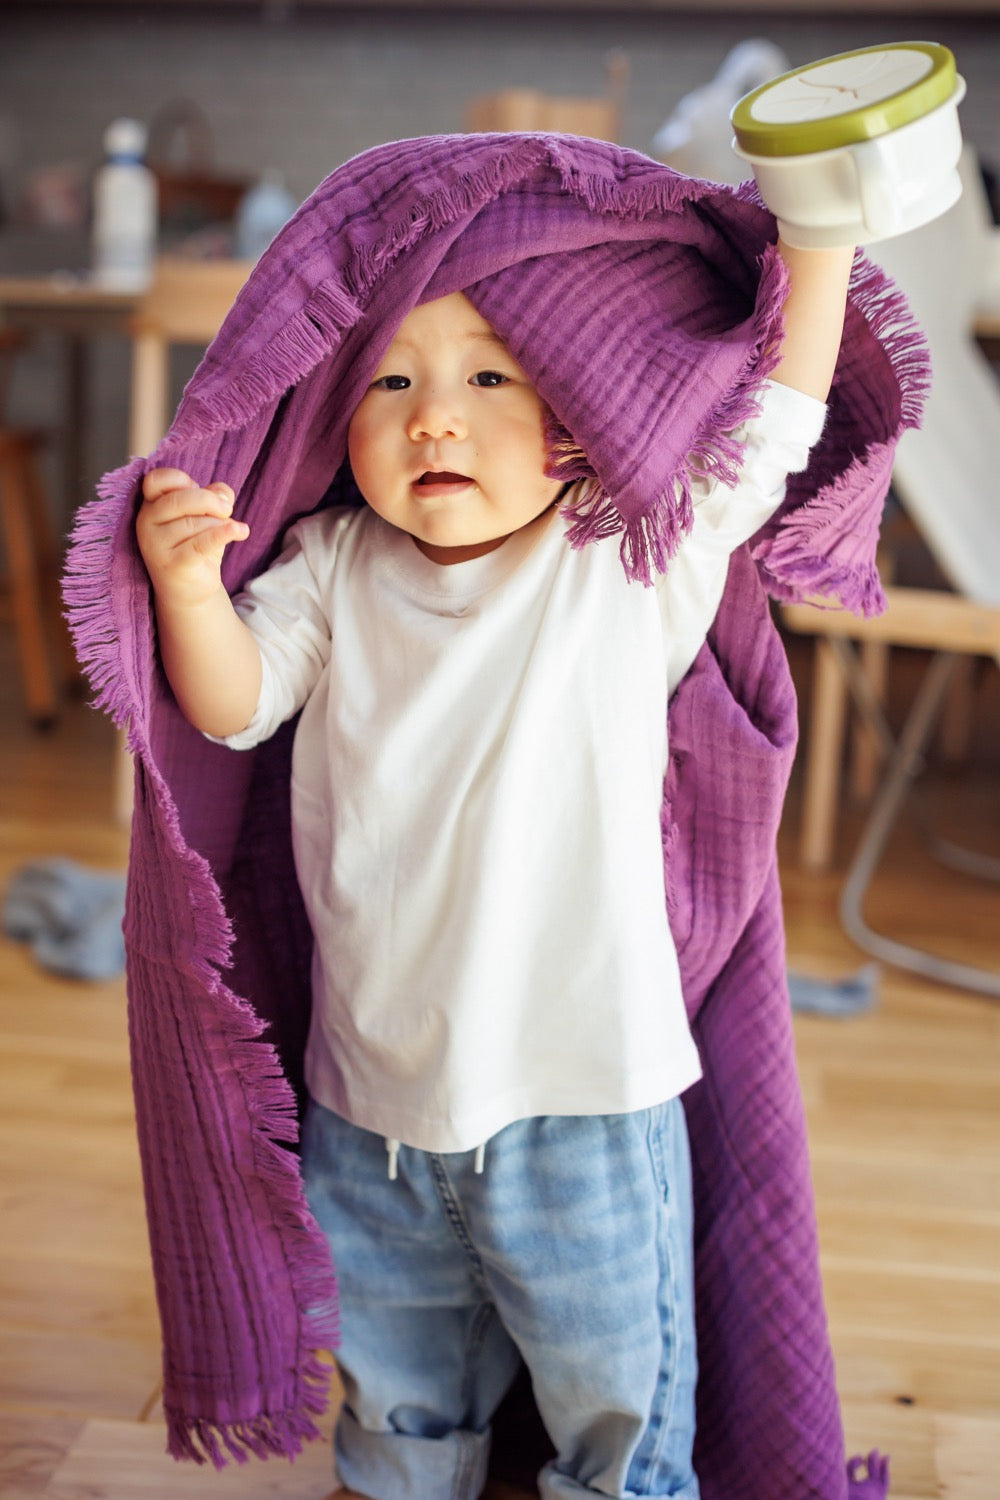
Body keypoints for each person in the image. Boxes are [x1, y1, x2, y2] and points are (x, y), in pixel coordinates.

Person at [134, 219, 854, 1500]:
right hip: (373, 1110)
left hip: (585, 1104)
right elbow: (233, 703)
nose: (432, 422)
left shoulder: (625, 557)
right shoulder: (333, 565)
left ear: (573, 416)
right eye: (392, 383)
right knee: (399, 1406)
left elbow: (778, 425)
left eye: (486, 378)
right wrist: (190, 588)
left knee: (615, 1420)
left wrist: (825, 227)